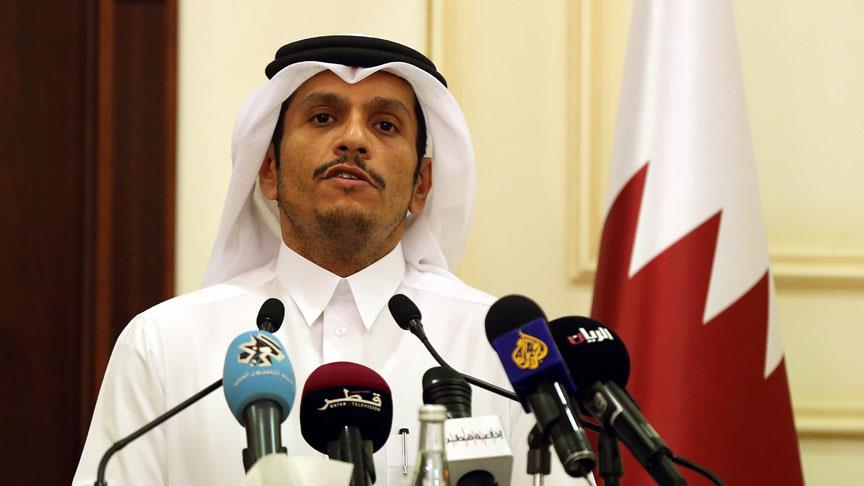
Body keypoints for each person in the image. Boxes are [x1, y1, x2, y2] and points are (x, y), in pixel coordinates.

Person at [72, 35, 591, 485]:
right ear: (268, 170)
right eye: (323, 117)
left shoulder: (499, 350)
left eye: (385, 125)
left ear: (422, 185)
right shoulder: (167, 346)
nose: (354, 139)